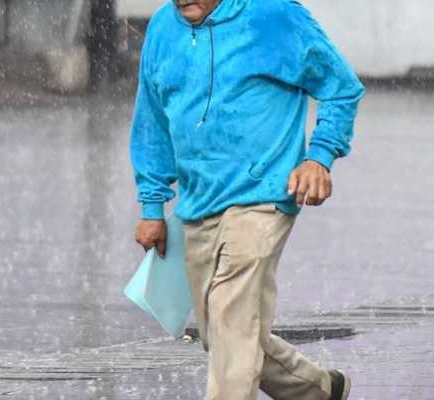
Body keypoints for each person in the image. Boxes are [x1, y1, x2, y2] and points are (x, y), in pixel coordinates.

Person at [129, 0, 364, 399]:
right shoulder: (162, 30)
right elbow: (151, 122)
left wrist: (318, 157)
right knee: (221, 331)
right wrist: (152, 206)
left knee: (230, 318)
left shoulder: (273, 15)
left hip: (265, 194)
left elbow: (341, 88)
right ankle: (320, 390)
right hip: (198, 201)